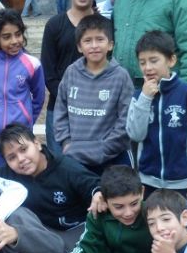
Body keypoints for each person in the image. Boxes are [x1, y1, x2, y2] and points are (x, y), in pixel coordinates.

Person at [126, 31, 187, 208]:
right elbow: (135, 134)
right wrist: (145, 98)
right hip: (147, 180)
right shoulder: (138, 96)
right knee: (151, 227)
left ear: (171, 60)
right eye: (142, 62)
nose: (147, 67)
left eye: (154, 60)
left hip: (180, 180)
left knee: (179, 227)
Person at [0, 123, 104, 252]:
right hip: (35, 236)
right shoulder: (4, 177)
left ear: (37, 143)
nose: (21, 159)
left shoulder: (66, 168)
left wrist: (98, 193)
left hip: (72, 235)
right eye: (12, 157)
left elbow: (96, 186)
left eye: (24, 149)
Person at [54, 14, 134, 176]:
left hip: (113, 159)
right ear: (79, 46)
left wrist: (104, 149)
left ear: (110, 44)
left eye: (100, 39)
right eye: (88, 41)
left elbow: (126, 120)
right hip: (75, 157)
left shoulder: (121, 77)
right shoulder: (71, 73)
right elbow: (60, 111)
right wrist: (66, 143)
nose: (94, 45)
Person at [41, 0, 101, 154]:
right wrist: (73, 101)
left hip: (97, 111)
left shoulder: (104, 27)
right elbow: (48, 73)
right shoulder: (54, 25)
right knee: (60, 168)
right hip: (60, 110)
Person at [0, 9, 45, 171]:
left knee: (21, 180)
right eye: (6, 37)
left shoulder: (32, 64)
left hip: (20, 135)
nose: (14, 41)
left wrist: (27, 121)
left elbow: (38, 98)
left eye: (18, 34)